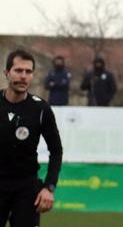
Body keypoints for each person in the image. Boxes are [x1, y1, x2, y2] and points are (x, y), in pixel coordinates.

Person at [1, 49, 63, 227]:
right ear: (7, 73)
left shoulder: (41, 109)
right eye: (18, 70)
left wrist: (49, 187)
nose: (23, 76)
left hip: (26, 189)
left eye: (28, 72)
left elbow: (56, 151)